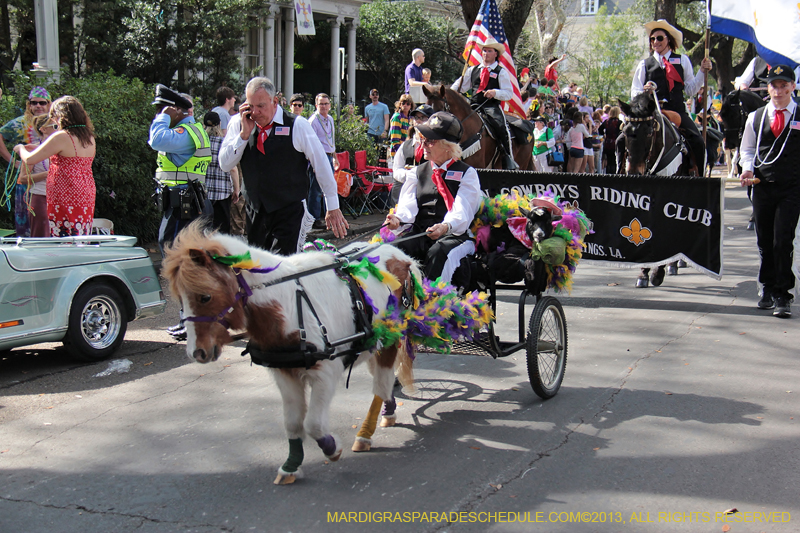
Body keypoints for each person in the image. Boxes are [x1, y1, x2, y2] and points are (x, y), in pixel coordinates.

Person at [219, 77, 348, 254]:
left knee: (284, 269)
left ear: (275, 102)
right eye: (251, 106)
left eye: (261, 106)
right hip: (255, 210)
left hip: (289, 209)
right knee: (258, 269)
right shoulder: (239, 123)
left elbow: (321, 164)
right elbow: (225, 164)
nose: (255, 112)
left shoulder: (298, 125)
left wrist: (332, 206)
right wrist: (243, 135)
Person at [385, 112, 481, 283]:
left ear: (447, 146)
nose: (424, 145)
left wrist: (445, 226)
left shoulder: (468, 173)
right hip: (421, 232)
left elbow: (462, 210)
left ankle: (433, 302)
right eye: (423, 139)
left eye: (430, 141)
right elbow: (408, 204)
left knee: (439, 252)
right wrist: (398, 218)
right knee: (393, 249)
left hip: (454, 236)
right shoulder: (417, 171)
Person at [739, 65, 800, 318]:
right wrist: (747, 169)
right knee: (764, 242)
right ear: (768, 88)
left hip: (792, 187)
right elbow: (748, 149)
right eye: (774, 85)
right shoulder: (757, 116)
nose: (779, 90)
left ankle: (782, 293)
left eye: (784, 84)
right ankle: (766, 286)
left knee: (782, 240)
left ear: (793, 87)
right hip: (763, 186)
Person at [629, 19, 712, 172]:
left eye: (659, 38)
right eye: (652, 39)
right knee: (623, 138)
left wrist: (702, 72)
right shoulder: (644, 64)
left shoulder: (682, 60)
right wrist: (644, 92)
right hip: (652, 113)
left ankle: (699, 180)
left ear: (668, 40)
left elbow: (690, 90)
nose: (655, 42)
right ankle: (623, 174)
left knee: (698, 141)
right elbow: (634, 91)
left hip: (676, 112)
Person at [15, 95, 96, 238]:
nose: (53, 121)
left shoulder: (62, 136)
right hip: (85, 193)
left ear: (60, 116)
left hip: (65, 193)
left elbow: (29, 159)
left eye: (53, 116)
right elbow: (68, 154)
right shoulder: (88, 137)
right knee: (79, 235)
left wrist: (20, 148)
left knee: (62, 237)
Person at [451, 38, 519, 170]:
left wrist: (495, 92)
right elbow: (458, 87)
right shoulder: (473, 70)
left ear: (495, 54)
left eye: (489, 51)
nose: (485, 53)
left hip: (491, 107)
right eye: (484, 51)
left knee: (501, 126)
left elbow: (509, 93)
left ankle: (507, 157)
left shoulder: (501, 72)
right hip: (473, 106)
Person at [1, 86, 51, 237]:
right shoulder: (20, 123)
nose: (38, 106)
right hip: (27, 181)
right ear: (29, 105)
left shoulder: (55, 124)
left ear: (49, 104)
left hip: (52, 182)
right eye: (34, 102)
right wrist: (11, 160)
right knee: (26, 222)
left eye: (42, 103)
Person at [15, 114, 57, 237]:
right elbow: (22, 179)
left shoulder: (61, 148)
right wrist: (47, 174)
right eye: (55, 126)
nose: (59, 129)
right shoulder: (33, 150)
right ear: (43, 129)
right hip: (40, 197)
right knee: (41, 236)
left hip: (58, 198)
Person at [203, 111, 240, 234]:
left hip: (204, 192)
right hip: (223, 192)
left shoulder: (200, 144)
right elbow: (233, 169)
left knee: (204, 227)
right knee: (222, 228)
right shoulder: (224, 143)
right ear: (219, 124)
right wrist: (237, 189)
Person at [391, 104, 433, 205]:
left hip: (428, 196)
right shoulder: (405, 146)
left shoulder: (435, 145)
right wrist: (408, 175)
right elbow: (396, 170)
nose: (418, 120)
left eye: (423, 118)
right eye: (416, 117)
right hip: (407, 196)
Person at [307, 93, 336, 230]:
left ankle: (328, 216)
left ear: (329, 105)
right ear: (316, 105)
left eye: (326, 103)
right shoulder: (313, 121)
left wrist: (335, 156)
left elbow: (331, 139)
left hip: (329, 155)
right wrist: (314, 163)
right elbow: (310, 144)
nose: (324, 106)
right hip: (319, 158)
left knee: (329, 186)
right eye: (321, 104)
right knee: (316, 189)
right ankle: (314, 218)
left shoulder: (330, 119)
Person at [735, 56, 800, 91]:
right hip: (760, 103)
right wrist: (743, 86)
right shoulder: (757, 61)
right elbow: (741, 81)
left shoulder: (795, 62)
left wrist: (789, 86)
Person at [389, 94, 414, 160]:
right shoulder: (397, 117)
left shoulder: (411, 118)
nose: (405, 105)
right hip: (398, 153)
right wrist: (400, 154)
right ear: (400, 105)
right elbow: (394, 140)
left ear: (411, 105)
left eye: (408, 104)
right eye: (403, 103)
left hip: (408, 153)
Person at [599, 106, 622, 174]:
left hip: (608, 143)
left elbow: (600, 129)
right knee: (615, 161)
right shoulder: (619, 122)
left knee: (608, 160)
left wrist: (604, 135)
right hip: (616, 143)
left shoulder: (606, 121)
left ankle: (608, 175)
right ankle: (614, 175)